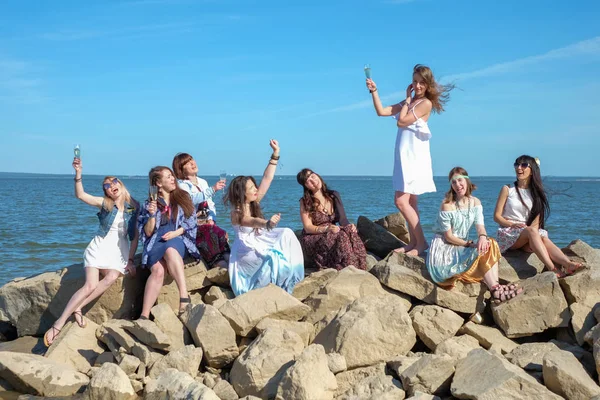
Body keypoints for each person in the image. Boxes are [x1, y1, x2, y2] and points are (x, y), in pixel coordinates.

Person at [44, 158, 139, 346]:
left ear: (120, 184)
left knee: (111, 277)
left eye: (114, 182)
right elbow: (81, 196)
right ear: (106, 191)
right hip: (98, 250)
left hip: (118, 253)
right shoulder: (105, 204)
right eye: (106, 185)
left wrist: (130, 260)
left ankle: (78, 307)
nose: (111, 186)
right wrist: (78, 174)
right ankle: (59, 322)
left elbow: (135, 237)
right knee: (90, 285)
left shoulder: (134, 207)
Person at [366, 64, 454, 256]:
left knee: (401, 201)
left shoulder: (425, 104)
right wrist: (374, 91)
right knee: (411, 201)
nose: (418, 85)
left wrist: (406, 100)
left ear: (428, 84)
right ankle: (414, 242)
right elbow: (381, 111)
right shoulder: (411, 101)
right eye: (415, 81)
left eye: (422, 82)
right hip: (403, 157)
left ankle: (421, 243)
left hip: (414, 158)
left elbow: (401, 121)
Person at [427, 167, 522, 303]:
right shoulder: (447, 205)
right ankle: (496, 289)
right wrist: (470, 244)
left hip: (460, 244)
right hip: (445, 248)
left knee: (490, 242)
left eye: (460, 180)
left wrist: (482, 237)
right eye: (453, 182)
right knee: (479, 249)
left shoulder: (475, 202)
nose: (458, 185)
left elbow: (480, 227)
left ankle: (495, 288)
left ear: (467, 180)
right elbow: (448, 237)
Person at [224, 139, 304, 296]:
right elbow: (250, 220)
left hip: (259, 238)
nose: (256, 190)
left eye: (255, 186)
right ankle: (270, 287)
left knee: (287, 233)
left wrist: (275, 155)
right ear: (242, 193)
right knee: (272, 257)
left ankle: (294, 276)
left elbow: (267, 179)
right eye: (251, 188)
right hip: (246, 251)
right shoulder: (237, 211)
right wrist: (266, 223)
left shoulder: (254, 200)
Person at [494, 155, 584, 277]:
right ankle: (552, 268)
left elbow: (535, 224)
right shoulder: (508, 189)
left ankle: (567, 264)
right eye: (517, 164)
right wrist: (512, 224)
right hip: (508, 233)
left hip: (527, 235)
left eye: (524, 165)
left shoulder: (536, 194)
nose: (519, 168)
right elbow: (497, 216)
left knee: (542, 237)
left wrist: (533, 236)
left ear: (532, 170)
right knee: (532, 232)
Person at [138, 166, 199, 318]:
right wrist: (151, 215)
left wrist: (176, 233)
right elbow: (147, 232)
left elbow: (192, 221)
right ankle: (144, 315)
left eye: (172, 176)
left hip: (177, 238)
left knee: (171, 250)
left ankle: (183, 297)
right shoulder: (149, 204)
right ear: (158, 183)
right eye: (168, 177)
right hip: (156, 242)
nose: (173, 179)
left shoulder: (183, 197)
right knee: (158, 271)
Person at [296, 168, 367, 270]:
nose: (313, 181)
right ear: (306, 186)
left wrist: (350, 226)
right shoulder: (305, 201)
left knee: (350, 232)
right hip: (314, 236)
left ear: (317, 175)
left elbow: (343, 220)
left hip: (333, 231)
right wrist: (326, 229)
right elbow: (308, 227)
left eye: (312, 176)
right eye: (308, 181)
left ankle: (359, 267)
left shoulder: (333, 195)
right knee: (341, 236)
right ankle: (346, 268)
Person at [172, 153, 229, 269]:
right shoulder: (182, 186)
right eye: (188, 163)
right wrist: (212, 189)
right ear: (181, 169)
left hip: (207, 223)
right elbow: (190, 200)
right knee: (210, 236)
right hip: (193, 226)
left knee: (222, 235)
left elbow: (210, 204)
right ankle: (220, 267)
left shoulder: (203, 182)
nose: (193, 163)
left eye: (192, 160)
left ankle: (232, 267)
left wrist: (212, 219)